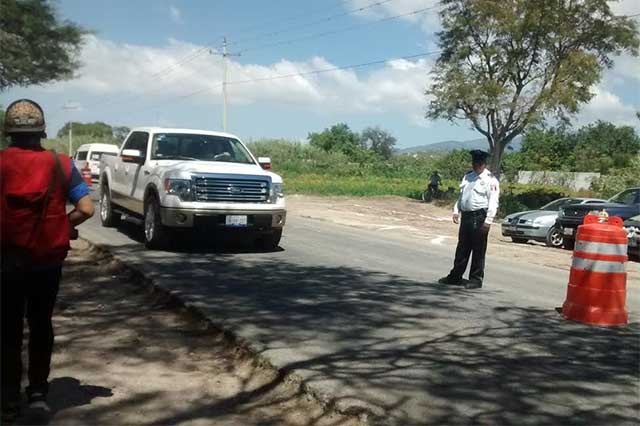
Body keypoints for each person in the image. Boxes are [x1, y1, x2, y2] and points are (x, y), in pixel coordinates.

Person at [1, 99, 94, 423]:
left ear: (8, 132)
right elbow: (86, 208)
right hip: (47, 263)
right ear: (41, 130)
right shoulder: (61, 164)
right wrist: (63, 226)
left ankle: (9, 400)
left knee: (8, 331)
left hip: (6, 262)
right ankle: (39, 395)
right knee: (41, 324)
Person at [438, 150, 500, 289]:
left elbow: (493, 202)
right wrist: (456, 210)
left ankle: (476, 279)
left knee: (478, 250)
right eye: (474, 163)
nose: (475, 165)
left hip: (480, 217)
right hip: (466, 216)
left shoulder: (490, 180)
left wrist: (488, 220)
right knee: (462, 248)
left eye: (478, 163)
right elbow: (462, 196)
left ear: (484, 164)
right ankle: (455, 276)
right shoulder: (468, 177)